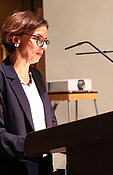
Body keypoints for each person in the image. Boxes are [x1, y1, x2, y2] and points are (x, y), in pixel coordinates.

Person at [0, 10, 58, 175]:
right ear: (16, 39)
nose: (43, 46)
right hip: (16, 168)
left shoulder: (38, 77)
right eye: (38, 39)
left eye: (45, 41)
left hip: (44, 166)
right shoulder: (2, 77)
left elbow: (50, 123)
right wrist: (33, 145)